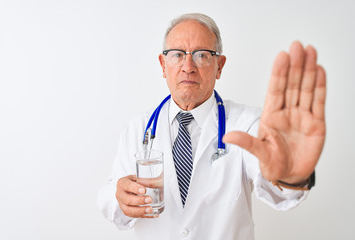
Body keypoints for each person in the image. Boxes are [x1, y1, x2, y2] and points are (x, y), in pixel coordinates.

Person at [97, 13, 326, 240]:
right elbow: (108, 198)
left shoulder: (249, 124)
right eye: (177, 55)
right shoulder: (138, 128)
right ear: (163, 64)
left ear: (219, 66)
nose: (188, 66)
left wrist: (289, 175)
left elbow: (279, 190)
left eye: (202, 55)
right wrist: (119, 197)